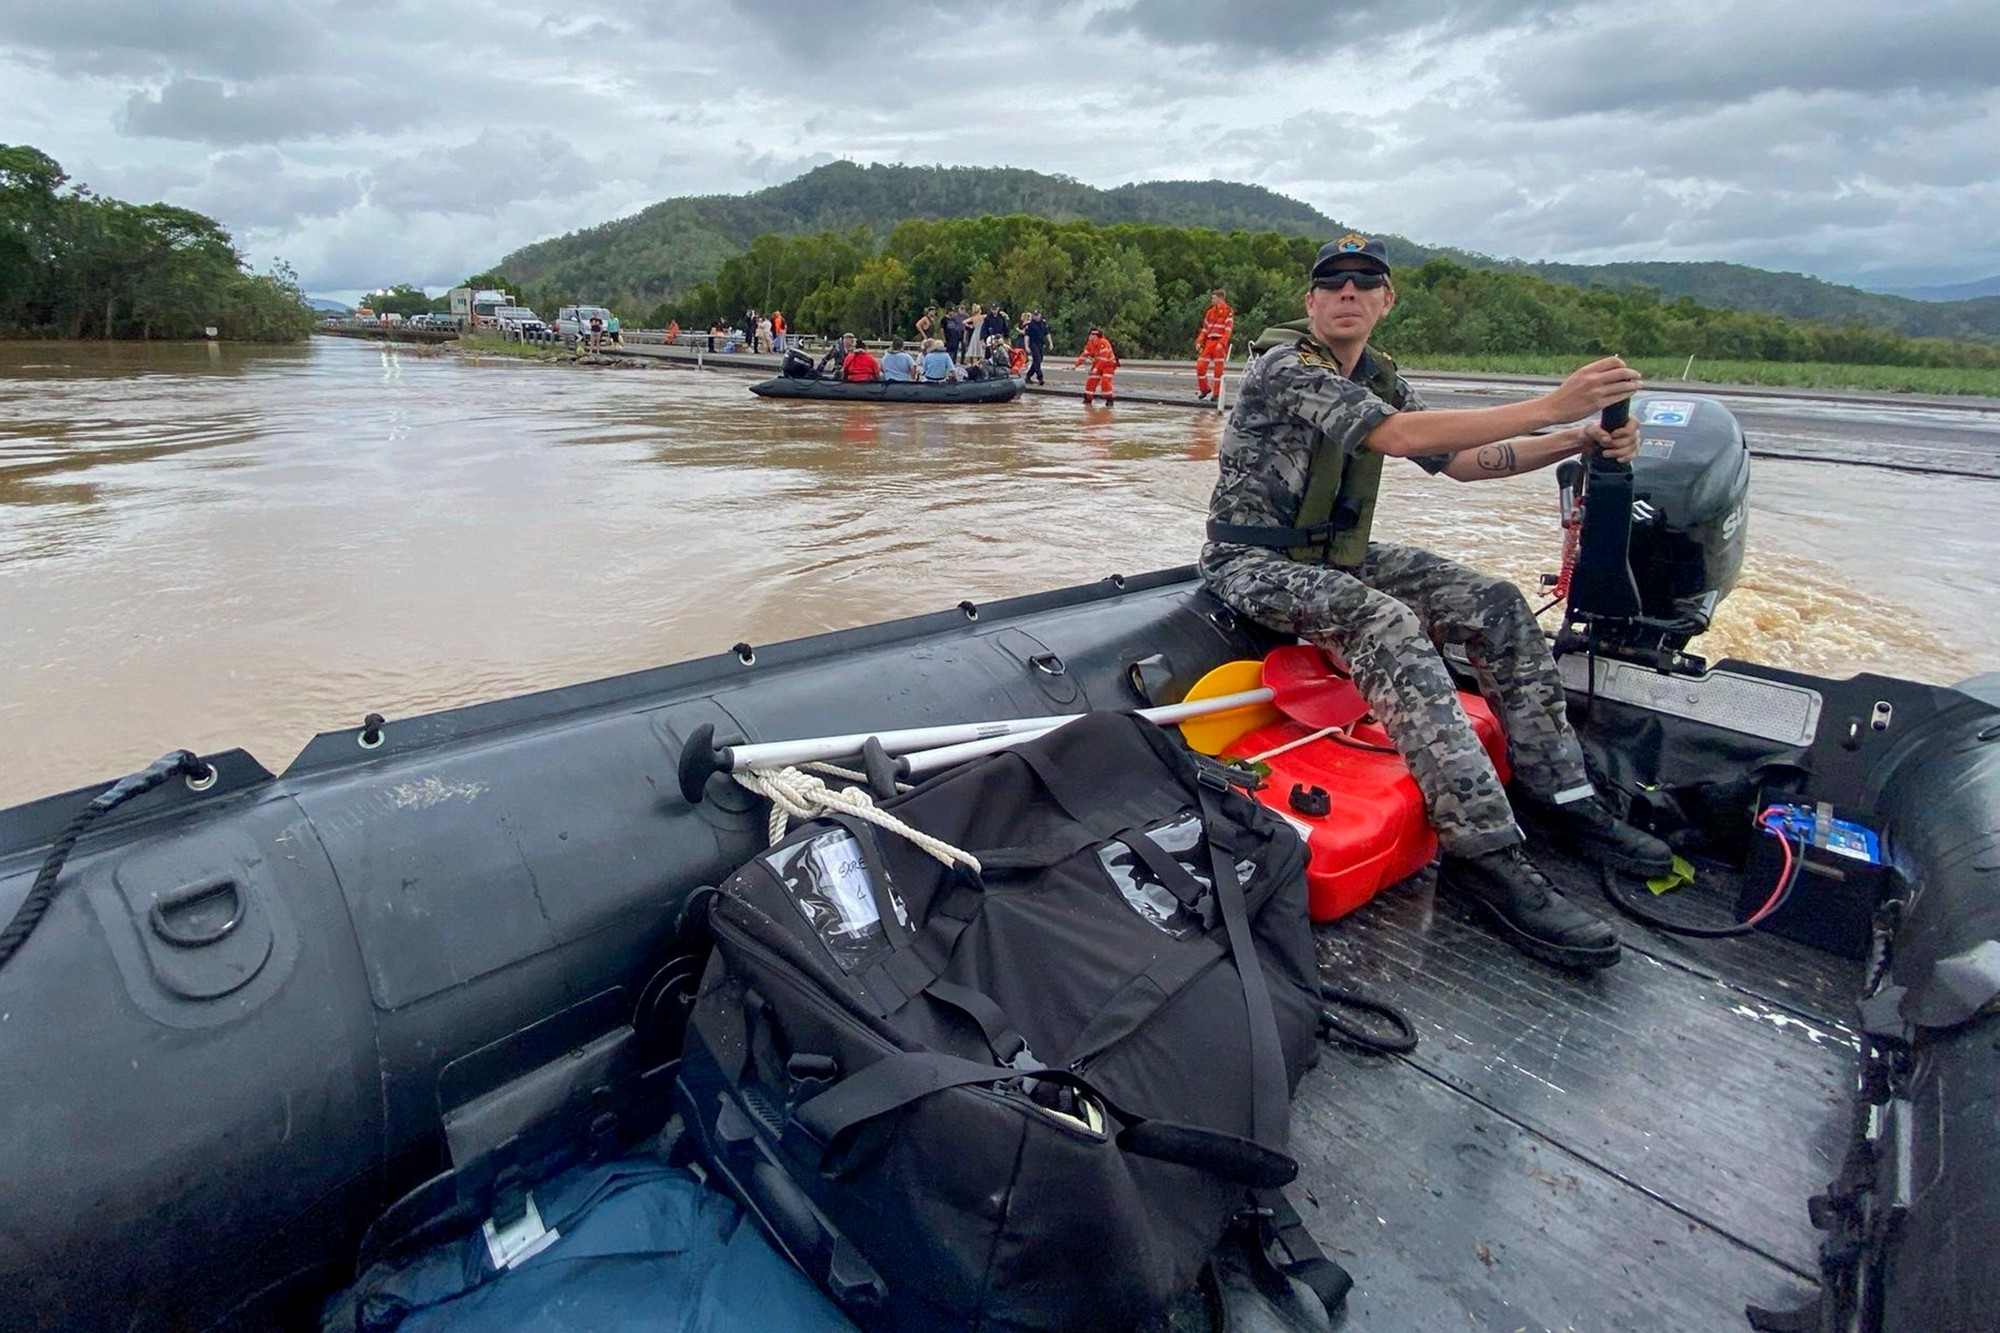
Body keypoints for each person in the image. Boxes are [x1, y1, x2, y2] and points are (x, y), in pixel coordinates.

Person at [1200, 233, 1672, 971]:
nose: (1347, 293)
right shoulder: (1286, 364)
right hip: (1252, 561)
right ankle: (1484, 851)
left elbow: (1460, 462)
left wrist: (1576, 436)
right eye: (1332, 282)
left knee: (1494, 601)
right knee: (1383, 621)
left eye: (1365, 282)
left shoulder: (1380, 375)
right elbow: (1397, 436)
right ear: (1311, 302)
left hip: (1334, 555)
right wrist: (1551, 403)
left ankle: (1563, 794)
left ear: (1387, 300)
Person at [1195, 288, 1234, 401]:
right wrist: (1199, 341)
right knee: (1200, 365)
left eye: (1214, 298)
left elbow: (1228, 330)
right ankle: (1204, 388)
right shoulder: (1210, 312)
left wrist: (1222, 343)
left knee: (1218, 370)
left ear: (1221, 298)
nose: (1212, 300)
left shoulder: (1228, 311)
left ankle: (1216, 394)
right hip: (1209, 342)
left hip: (1219, 342)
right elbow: (1205, 329)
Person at [1074, 326, 1119, 406]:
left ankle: (1109, 400)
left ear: (1094, 335)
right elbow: (1083, 356)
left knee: (1105, 382)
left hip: (1108, 365)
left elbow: (1103, 359)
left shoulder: (1104, 343)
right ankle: (1088, 399)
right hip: (1097, 364)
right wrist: (1075, 365)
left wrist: (1095, 369)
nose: (1088, 337)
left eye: (1089, 335)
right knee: (1091, 381)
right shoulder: (1090, 344)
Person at [1023, 309, 1049, 385]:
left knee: (1038, 360)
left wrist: (1050, 342)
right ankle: (1040, 377)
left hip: (1041, 344)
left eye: (1037, 315)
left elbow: (1047, 333)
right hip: (1033, 344)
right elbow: (1026, 336)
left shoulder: (1043, 323)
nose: (1036, 317)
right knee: (1037, 359)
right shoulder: (1030, 324)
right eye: (1035, 315)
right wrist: (1026, 346)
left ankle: (1028, 375)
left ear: (1040, 315)